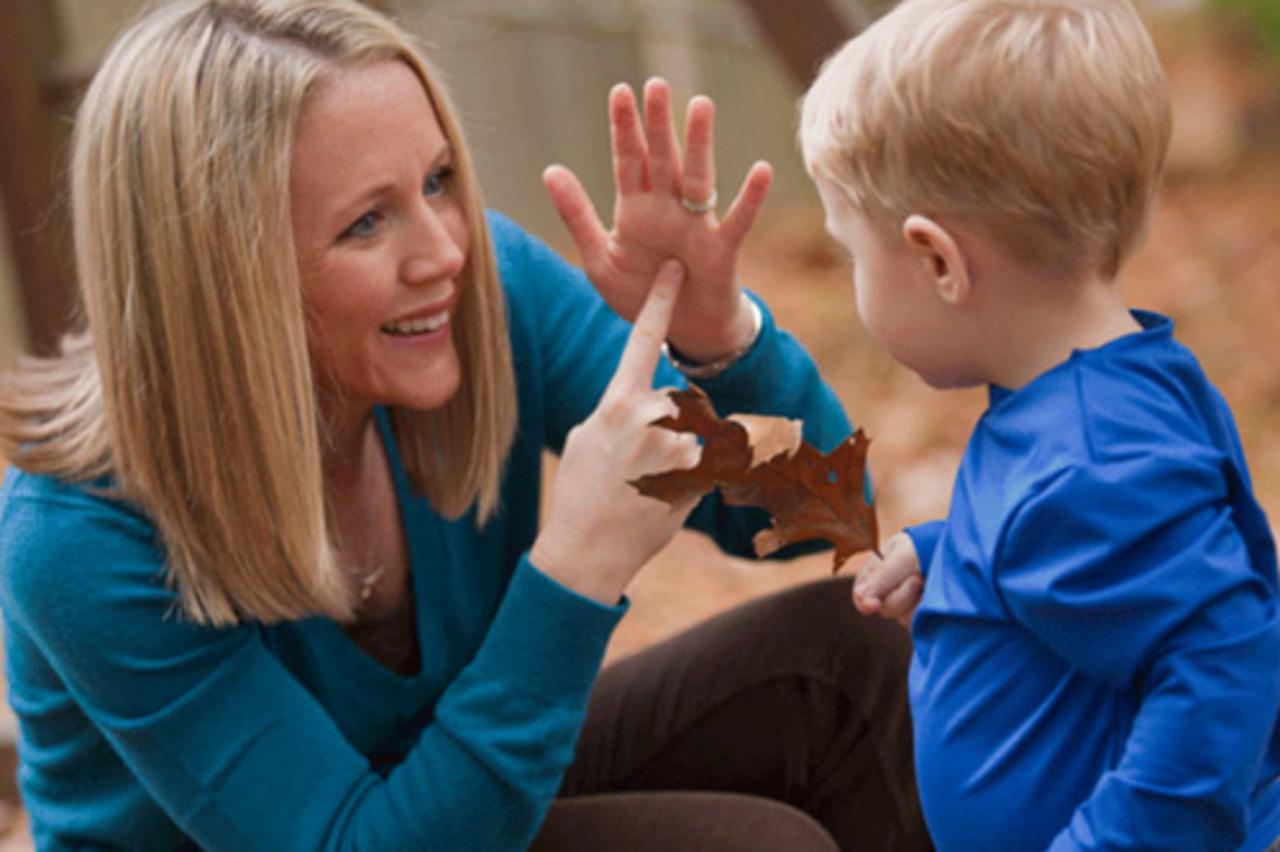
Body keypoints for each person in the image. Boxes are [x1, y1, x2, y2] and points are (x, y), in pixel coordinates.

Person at [0, 1, 930, 849]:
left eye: (438, 180)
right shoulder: (81, 534)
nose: (444, 250)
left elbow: (818, 518)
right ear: (222, 275)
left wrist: (720, 339)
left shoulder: (482, 297)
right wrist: (572, 574)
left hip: (449, 795)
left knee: (846, 659)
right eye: (367, 222)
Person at [798, 0, 1280, 849]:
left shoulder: (1088, 459)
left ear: (937, 260)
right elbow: (1101, 560)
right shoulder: (1098, 400)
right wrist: (955, 559)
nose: (853, 281)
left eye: (852, 254)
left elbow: (1222, 666)